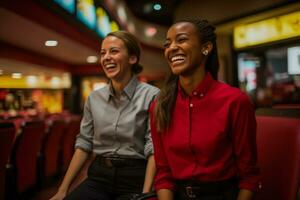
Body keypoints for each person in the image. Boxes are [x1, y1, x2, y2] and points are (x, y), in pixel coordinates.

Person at [150, 19, 260, 200]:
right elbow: (164, 174)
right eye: (167, 44)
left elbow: (249, 177)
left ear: (206, 48)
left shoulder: (235, 101)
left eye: (181, 40)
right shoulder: (159, 106)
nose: (172, 48)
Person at [50, 31, 159, 200]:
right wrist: (62, 190)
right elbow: (84, 143)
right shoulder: (94, 98)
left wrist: (146, 194)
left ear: (132, 58)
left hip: (135, 177)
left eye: (114, 51)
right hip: (99, 176)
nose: (106, 57)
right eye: (103, 53)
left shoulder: (153, 95)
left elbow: (154, 148)